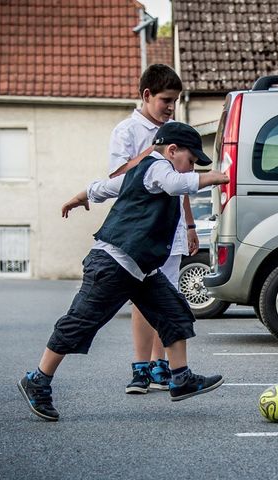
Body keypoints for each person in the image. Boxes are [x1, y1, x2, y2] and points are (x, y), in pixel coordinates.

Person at [18, 122, 229, 421]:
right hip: (113, 262)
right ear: (172, 151)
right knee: (80, 322)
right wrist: (210, 178)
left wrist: (82, 196)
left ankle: (180, 378)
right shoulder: (157, 168)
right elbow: (174, 184)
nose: (190, 168)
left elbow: (105, 188)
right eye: (191, 161)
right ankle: (37, 380)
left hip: (141, 267)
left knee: (174, 312)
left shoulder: (141, 173)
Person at [106, 64, 196, 394]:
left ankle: (162, 367)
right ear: (147, 96)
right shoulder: (126, 131)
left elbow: (181, 181)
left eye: (175, 101)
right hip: (140, 231)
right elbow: (116, 177)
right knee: (142, 299)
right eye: (166, 100)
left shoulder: (175, 129)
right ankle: (140, 368)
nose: (171, 107)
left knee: (167, 299)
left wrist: (189, 224)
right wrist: (154, 150)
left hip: (170, 230)